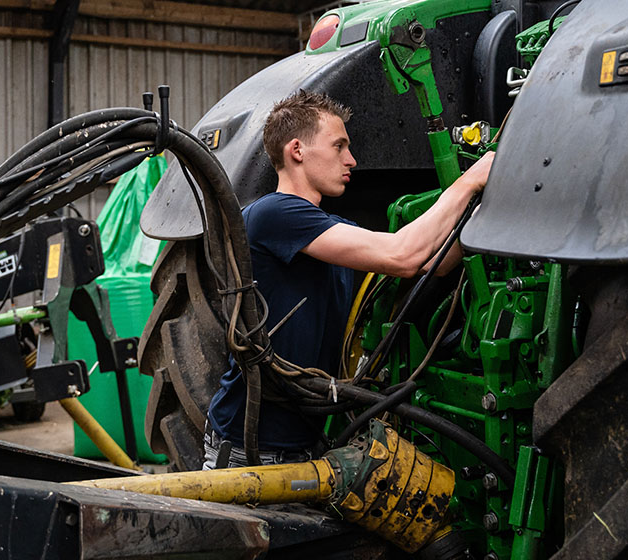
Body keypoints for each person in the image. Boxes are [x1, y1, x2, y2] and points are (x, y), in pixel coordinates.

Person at [203, 90, 494, 469]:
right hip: (248, 454)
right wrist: (468, 182)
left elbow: (430, 263)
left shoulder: (328, 230)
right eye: (339, 146)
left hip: (303, 451)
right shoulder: (273, 214)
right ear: (297, 150)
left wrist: (486, 212)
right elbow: (402, 254)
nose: (351, 160)